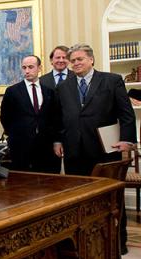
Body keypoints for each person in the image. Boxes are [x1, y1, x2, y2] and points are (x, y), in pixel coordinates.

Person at [52, 43, 136, 176]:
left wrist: (127, 140)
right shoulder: (62, 87)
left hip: (104, 149)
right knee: (78, 192)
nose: (76, 63)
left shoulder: (112, 80)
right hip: (74, 151)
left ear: (91, 59)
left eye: (80, 59)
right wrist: (57, 141)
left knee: (106, 192)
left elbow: (126, 113)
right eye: (73, 61)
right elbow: (58, 117)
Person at [0, 55, 60, 173]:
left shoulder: (49, 91)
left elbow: (54, 118)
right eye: (24, 67)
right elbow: (5, 117)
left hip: (45, 146)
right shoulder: (12, 91)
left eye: (31, 67)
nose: (27, 71)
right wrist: (15, 134)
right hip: (20, 146)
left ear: (39, 68)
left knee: (46, 181)